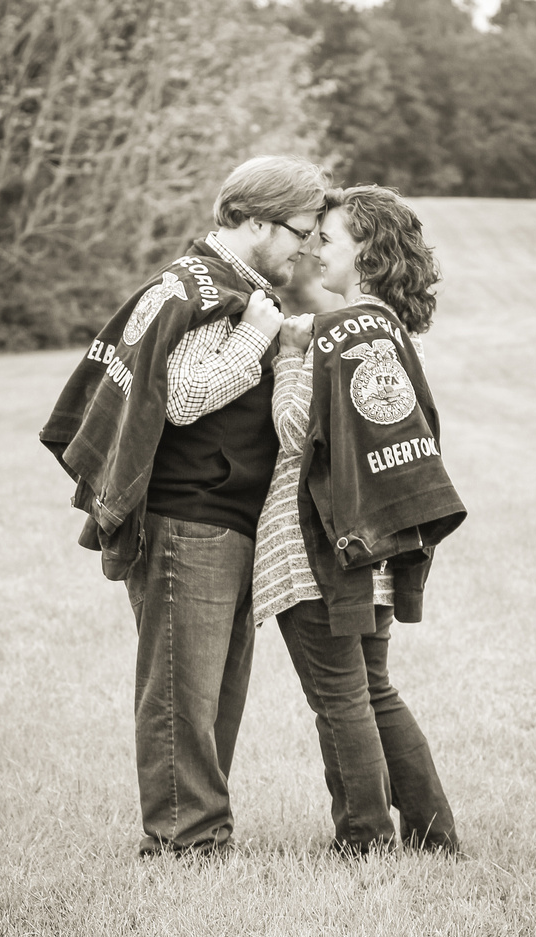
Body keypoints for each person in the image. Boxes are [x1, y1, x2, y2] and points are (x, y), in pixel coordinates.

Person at [40, 155, 329, 857]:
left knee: (214, 695)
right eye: (300, 230)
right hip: (187, 520)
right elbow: (185, 396)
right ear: (255, 220)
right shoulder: (211, 291)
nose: (308, 247)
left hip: (224, 517)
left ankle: (202, 831)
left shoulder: (227, 285)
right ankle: (182, 844)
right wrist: (259, 334)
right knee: (181, 693)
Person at [253, 185, 466, 856]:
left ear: (367, 251)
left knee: (341, 698)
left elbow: (295, 431)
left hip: (323, 542)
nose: (317, 248)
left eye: (332, 238)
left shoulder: (339, 331)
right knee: (373, 690)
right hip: (376, 539)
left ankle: (365, 841)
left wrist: (287, 355)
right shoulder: (394, 333)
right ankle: (435, 837)